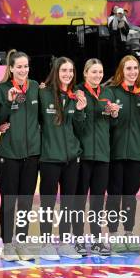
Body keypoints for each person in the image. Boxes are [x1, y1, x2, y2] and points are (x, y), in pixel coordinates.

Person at [105, 55, 140, 253]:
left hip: (136, 153)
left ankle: (128, 234)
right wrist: (113, 115)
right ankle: (113, 235)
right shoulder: (111, 91)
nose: (132, 72)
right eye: (128, 68)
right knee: (114, 196)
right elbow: (108, 124)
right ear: (121, 71)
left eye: (135, 68)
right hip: (116, 153)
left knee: (130, 196)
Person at [38, 57, 87, 260]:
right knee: (48, 203)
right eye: (64, 70)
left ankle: (66, 242)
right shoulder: (43, 94)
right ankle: (46, 243)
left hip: (72, 159)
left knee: (68, 203)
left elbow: (80, 130)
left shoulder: (75, 96)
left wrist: (80, 112)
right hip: (50, 158)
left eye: (70, 70)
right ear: (56, 72)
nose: (67, 74)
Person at [0, 50, 40, 261]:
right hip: (9, 154)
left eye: (26, 66)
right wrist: (9, 101)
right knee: (9, 201)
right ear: (11, 68)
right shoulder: (2, 88)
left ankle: (21, 242)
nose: (23, 70)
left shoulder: (35, 88)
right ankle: (7, 244)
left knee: (26, 202)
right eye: (19, 66)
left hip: (32, 154)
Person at [73, 59, 120, 256]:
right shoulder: (78, 92)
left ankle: (97, 239)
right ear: (85, 73)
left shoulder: (107, 93)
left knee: (97, 201)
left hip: (102, 155)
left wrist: (115, 116)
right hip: (83, 155)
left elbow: (110, 126)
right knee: (79, 200)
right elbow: (75, 126)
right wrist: (80, 111)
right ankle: (77, 240)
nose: (97, 75)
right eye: (93, 72)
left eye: (100, 72)